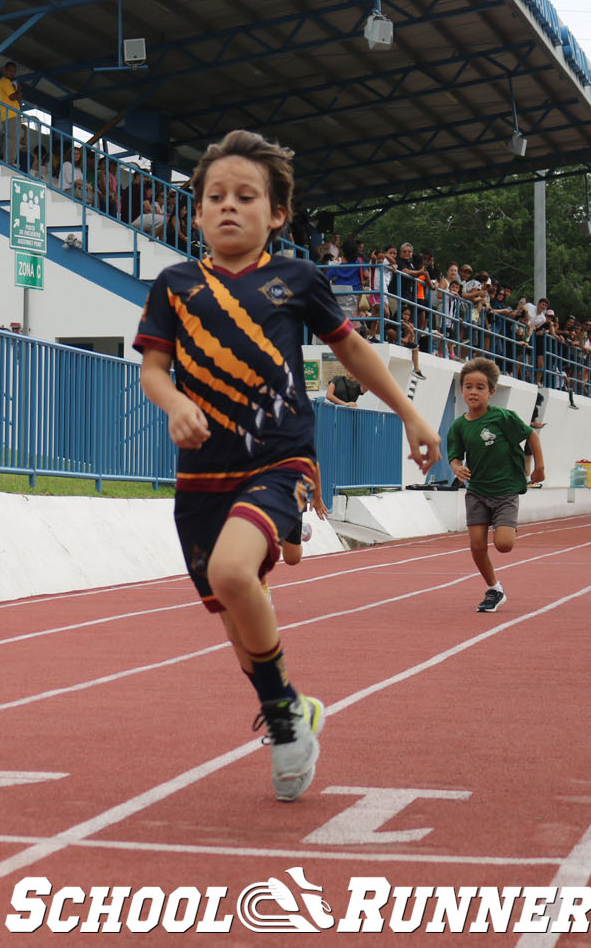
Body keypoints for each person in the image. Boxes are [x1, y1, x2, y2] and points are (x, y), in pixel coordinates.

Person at [134, 128, 439, 802]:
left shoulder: (296, 280)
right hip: (201, 475)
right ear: (199, 212)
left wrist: (411, 416)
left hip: (280, 459)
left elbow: (353, 352)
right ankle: (291, 705)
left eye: (246, 196)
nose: (228, 207)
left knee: (233, 571)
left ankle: (282, 719)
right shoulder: (176, 286)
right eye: (215, 197)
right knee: (239, 622)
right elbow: (152, 368)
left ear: (277, 214)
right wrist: (173, 403)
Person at [446, 357, 544, 614]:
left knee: (504, 545)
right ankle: (495, 589)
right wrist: (456, 467)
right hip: (477, 491)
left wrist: (539, 467)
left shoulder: (503, 418)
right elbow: (454, 456)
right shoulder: (459, 426)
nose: (473, 391)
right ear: (461, 390)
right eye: (468, 386)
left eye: (480, 387)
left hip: (505, 492)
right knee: (477, 546)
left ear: (491, 392)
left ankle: (505, 526)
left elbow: (531, 435)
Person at [0, 61, 23, 167]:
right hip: (10, 114)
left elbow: (18, 98)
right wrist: (18, 90)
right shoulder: (5, 81)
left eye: (14, 71)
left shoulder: (9, 83)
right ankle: (9, 161)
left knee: (10, 136)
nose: (12, 73)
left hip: (12, 114)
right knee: (12, 138)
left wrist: (18, 91)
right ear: (5, 70)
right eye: (10, 70)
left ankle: (6, 158)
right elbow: (13, 97)